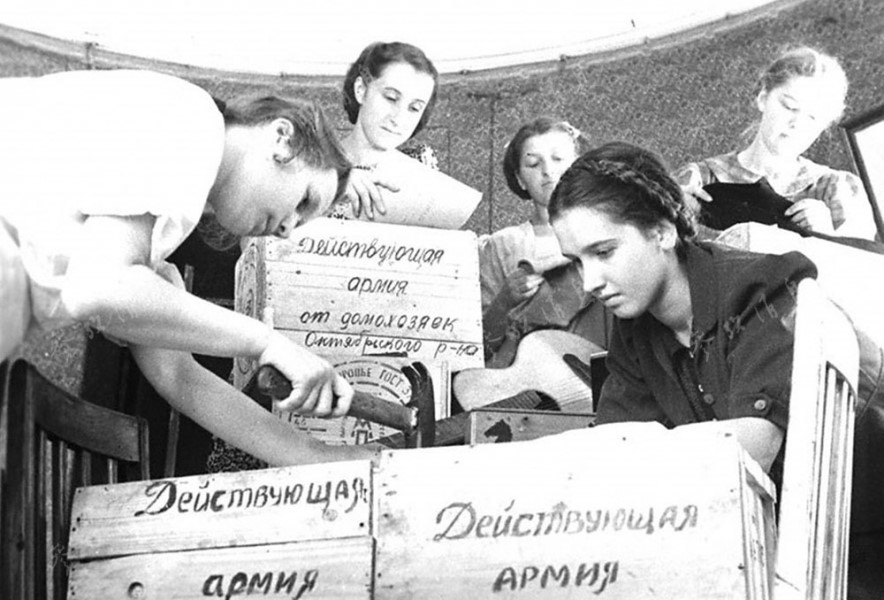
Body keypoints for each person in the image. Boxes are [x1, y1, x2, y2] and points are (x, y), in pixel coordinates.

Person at [0, 68, 377, 466]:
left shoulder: (147, 244)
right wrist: (267, 342)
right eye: (304, 201)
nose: (286, 229)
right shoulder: (190, 123)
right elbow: (99, 287)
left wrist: (314, 455)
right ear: (282, 138)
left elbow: (179, 377)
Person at [550, 141, 818, 477]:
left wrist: (637, 452)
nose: (589, 282)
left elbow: (755, 448)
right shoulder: (635, 330)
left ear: (661, 232)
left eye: (603, 252)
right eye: (577, 261)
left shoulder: (761, 286)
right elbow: (611, 444)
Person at [676, 46, 877, 240]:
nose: (796, 123)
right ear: (763, 98)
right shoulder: (699, 178)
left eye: (812, 118)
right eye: (790, 107)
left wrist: (827, 235)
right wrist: (674, 214)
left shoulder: (834, 188)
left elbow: (866, 265)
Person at [479, 118, 603, 367]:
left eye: (558, 159)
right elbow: (479, 347)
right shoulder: (504, 245)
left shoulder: (608, 233)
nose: (548, 171)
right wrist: (503, 302)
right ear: (520, 179)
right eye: (534, 164)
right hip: (526, 383)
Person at [336, 41, 439, 219]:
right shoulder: (315, 163)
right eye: (391, 98)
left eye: (414, 108)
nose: (398, 118)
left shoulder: (420, 165)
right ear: (361, 90)